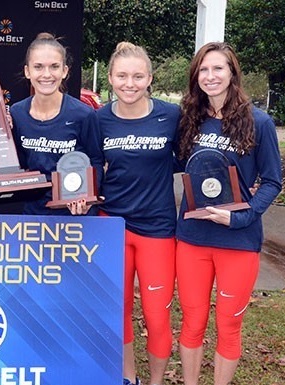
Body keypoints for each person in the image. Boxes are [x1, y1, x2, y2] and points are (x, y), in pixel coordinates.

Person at [175, 42, 282, 385]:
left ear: (233, 73)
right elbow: (170, 164)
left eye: (218, 68)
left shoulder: (259, 122)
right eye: (203, 70)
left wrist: (242, 216)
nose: (210, 76)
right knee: (192, 322)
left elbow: (272, 181)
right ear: (196, 77)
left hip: (238, 240)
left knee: (228, 324)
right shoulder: (190, 120)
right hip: (192, 238)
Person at [96, 42, 180, 385]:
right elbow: (87, 167)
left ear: (150, 79)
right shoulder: (98, 117)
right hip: (111, 225)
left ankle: (156, 381)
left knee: (157, 316)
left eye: (137, 76)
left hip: (157, 229)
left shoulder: (171, 116)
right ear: (111, 79)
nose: (129, 83)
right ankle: (128, 378)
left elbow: (196, 156)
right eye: (121, 76)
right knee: (118, 313)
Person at [10, 32, 103, 216]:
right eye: (38, 67)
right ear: (28, 71)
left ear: (65, 71)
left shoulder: (83, 114)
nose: (46, 74)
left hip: (74, 214)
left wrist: (89, 198)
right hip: (33, 214)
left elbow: (96, 161)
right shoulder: (17, 113)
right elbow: (17, 164)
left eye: (54, 66)